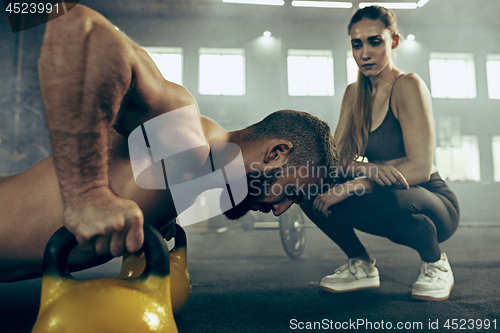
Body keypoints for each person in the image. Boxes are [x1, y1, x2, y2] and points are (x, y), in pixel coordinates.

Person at [0, 4, 338, 282]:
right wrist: (87, 195)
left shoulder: (190, 174)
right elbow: (82, 30)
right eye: (291, 192)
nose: (280, 209)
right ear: (277, 153)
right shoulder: (185, 133)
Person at [300, 5, 460, 301]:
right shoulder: (353, 93)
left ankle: (436, 264)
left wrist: (360, 181)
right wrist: (365, 170)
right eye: (357, 44)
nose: (365, 52)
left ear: (394, 41)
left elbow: (420, 168)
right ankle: (360, 264)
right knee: (308, 185)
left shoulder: (407, 85)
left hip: (431, 202)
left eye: (375, 41)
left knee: (389, 193)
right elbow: (336, 162)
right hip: (385, 194)